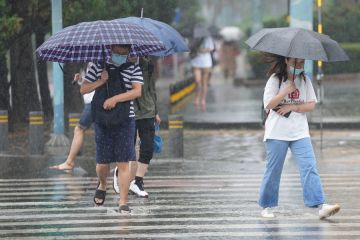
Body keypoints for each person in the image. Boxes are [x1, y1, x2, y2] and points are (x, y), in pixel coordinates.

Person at [259, 55, 340, 219]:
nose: (299, 65)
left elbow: (311, 104)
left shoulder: (305, 80)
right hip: (277, 132)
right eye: (296, 62)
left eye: (302, 62)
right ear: (287, 61)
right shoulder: (275, 79)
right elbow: (268, 104)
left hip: (300, 132)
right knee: (273, 170)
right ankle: (267, 206)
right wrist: (284, 92)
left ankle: (321, 205)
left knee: (309, 167)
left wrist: (293, 106)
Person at [80, 44, 143, 214]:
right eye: (118, 53)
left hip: (125, 120)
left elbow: (137, 91)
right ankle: (102, 183)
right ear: (111, 49)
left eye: (125, 53)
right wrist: (101, 81)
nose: (121, 56)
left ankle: (123, 202)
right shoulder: (97, 65)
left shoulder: (133, 67)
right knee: (102, 163)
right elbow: (83, 88)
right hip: (102, 119)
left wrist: (115, 98)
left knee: (123, 162)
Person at [113, 56, 161, 198]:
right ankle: (119, 172)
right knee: (129, 148)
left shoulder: (147, 64)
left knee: (148, 148)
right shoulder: (119, 65)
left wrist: (155, 111)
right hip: (128, 111)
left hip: (147, 111)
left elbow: (151, 89)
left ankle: (138, 182)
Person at [50, 69, 94, 171]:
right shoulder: (93, 62)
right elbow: (93, 82)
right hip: (93, 102)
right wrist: (81, 80)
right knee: (104, 132)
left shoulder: (96, 62)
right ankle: (116, 163)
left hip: (93, 103)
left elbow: (96, 84)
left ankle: (70, 162)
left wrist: (84, 81)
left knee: (79, 129)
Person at [190, 35, 215, 110]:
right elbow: (189, 47)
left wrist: (203, 50)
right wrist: (195, 48)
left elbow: (212, 48)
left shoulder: (208, 38)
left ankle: (203, 99)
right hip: (196, 61)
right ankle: (197, 97)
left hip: (206, 62)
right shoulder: (194, 37)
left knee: (204, 82)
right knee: (197, 81)